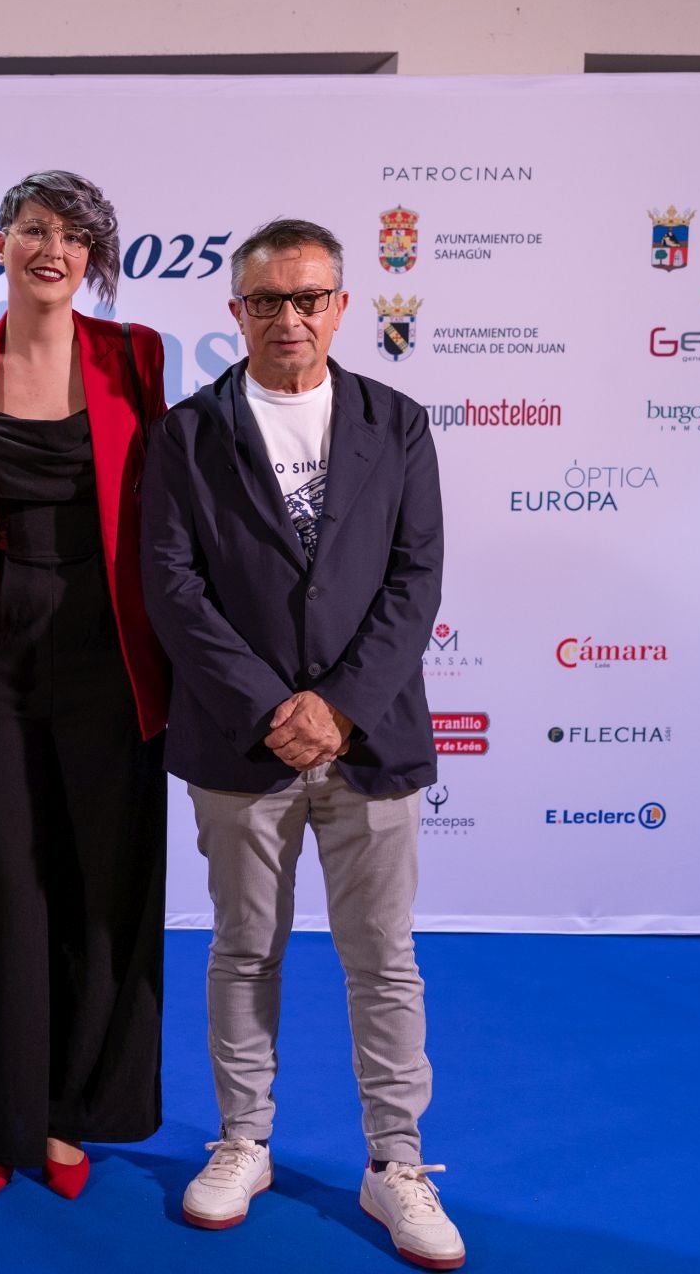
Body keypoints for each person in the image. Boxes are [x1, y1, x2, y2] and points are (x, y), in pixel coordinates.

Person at [139, 219, 464, 1269]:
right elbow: (173, 590)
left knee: (383, 959)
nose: (289, 317)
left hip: (370, 741)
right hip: (242, 744)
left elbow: (417, 579)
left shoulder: (398, 421)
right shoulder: (186, 433)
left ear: (340, 306)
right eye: (267, 300)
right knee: (243, 949)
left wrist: (340, 705)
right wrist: (274, 707)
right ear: (235, 312)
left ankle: (396, 1162)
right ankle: (243, 1139)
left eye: (309, 297)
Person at [0, 170, 170, 1199]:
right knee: (6, 888)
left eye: (74, 235)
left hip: (111, 656)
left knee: (103, 883)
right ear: (1, 243)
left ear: (95, 258)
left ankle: (70, 1112)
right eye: (34, 230)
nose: (51, 249)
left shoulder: (134, 355)